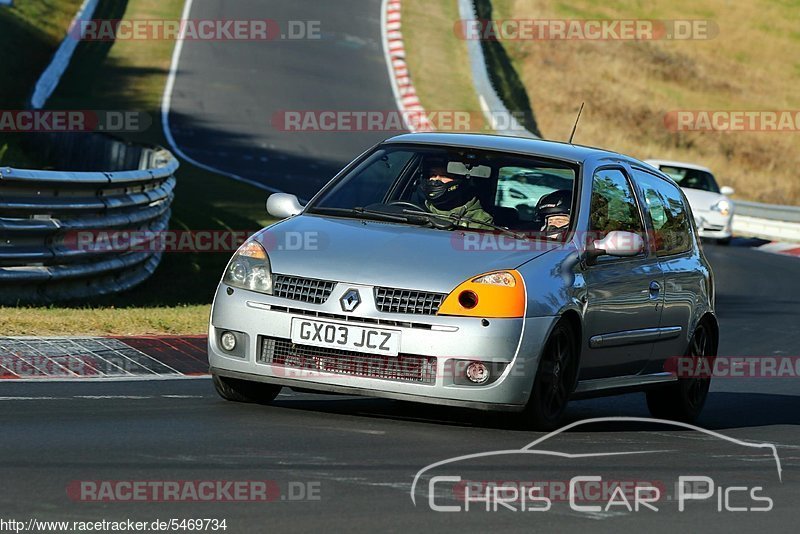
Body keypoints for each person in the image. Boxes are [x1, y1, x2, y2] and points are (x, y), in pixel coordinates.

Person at [419, 158, 494, 230]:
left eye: (444, 175)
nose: (435, 180)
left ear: (460, 181)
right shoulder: (416, 210)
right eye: (433, 174)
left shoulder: (481, 222)